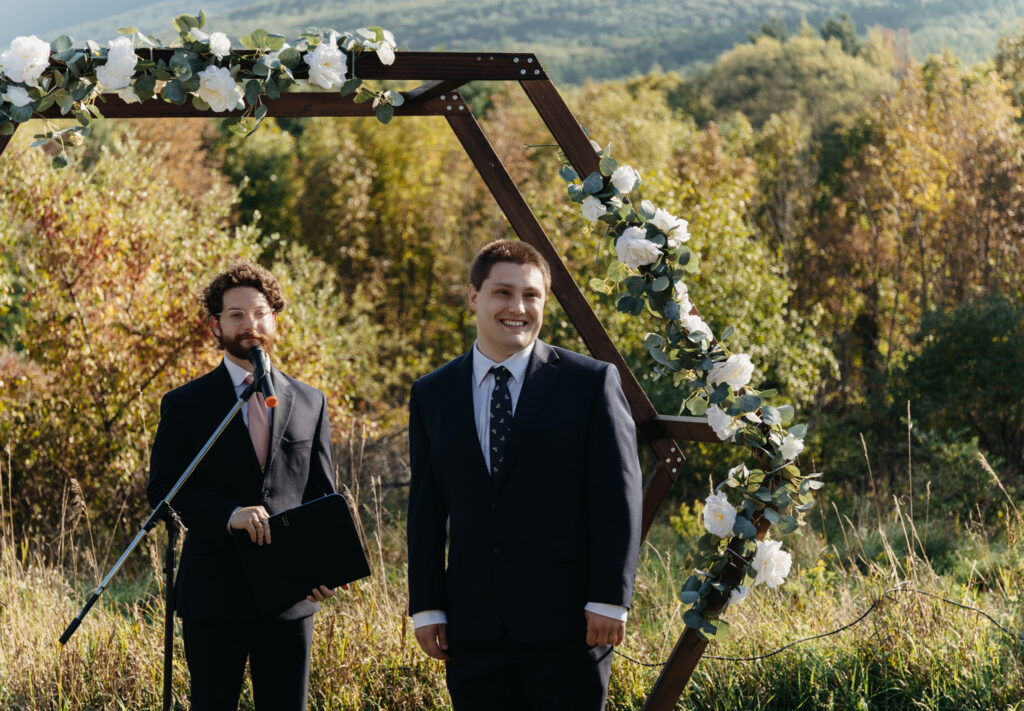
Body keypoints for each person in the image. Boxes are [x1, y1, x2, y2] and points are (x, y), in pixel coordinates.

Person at [407, 239, 643, 710]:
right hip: (471, 629)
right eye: (503, 293)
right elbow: (426, 510)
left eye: (531, 295)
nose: (518, 307)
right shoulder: (432, 393)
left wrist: (609, 599)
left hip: (571, 626)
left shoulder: (591, 383)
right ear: (474, 296)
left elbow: (618, 497)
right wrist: (427, 606)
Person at [148, 261, 337, 711]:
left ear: (275, 317)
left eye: (259, 312)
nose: (249, 324)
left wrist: (324, 564)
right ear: (215, 325)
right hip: (213, 596)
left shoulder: (310, 400)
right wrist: (227, 514)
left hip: (290, 599)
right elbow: (164, 491)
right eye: (235, 315)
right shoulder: (186, 404)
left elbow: (324, 494)